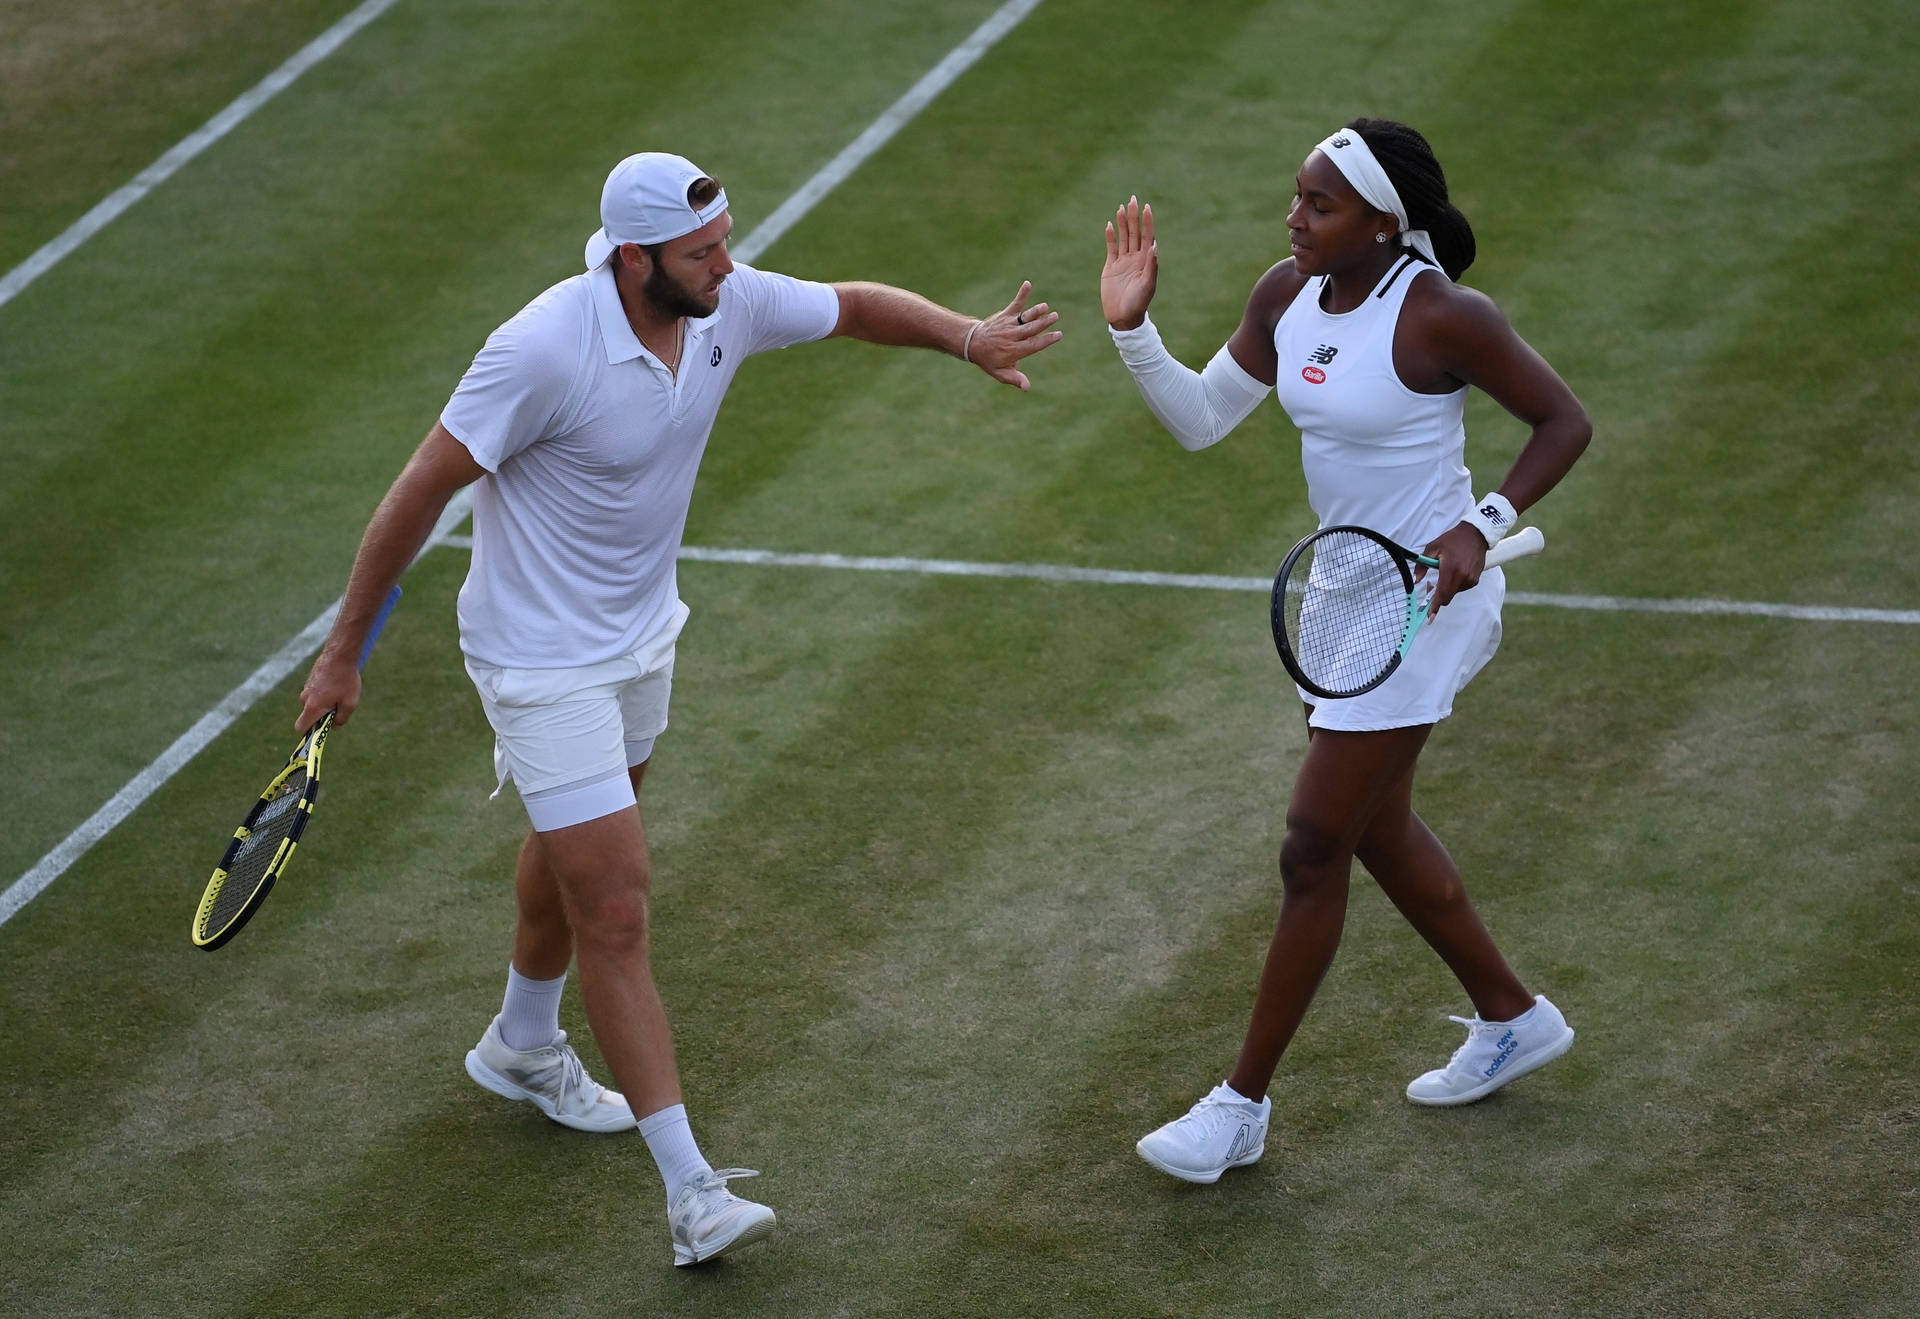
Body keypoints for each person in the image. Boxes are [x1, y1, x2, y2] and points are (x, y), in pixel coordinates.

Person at [296, 151, 1062, 1262]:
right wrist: (342, 653)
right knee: (615, 907)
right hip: (537, 656)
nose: (728, 262)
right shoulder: (540, 349)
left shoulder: (724, 302)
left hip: (641, 639)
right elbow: (419, 491)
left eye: (727, 240)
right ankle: (692, 1190)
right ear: (636, 255)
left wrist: (966, 335)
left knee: (577, 849)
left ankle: (519, 1041)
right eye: (704, 250)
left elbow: (852, 307)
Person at [1100, 118, 1592, 1184]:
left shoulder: (1444, 316)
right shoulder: (1286, 293)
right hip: (1342, 599)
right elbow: (1198, 419)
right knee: (1374, 828)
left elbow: (1563, 420)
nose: (1295, 218)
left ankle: (1240, 1105)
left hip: (1428, 603)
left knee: (1313, 841)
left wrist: (1484, 521)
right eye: (1297, 197)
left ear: (1384, 222)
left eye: (1319, 205)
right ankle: (1512, 1015)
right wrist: (1134, 331)